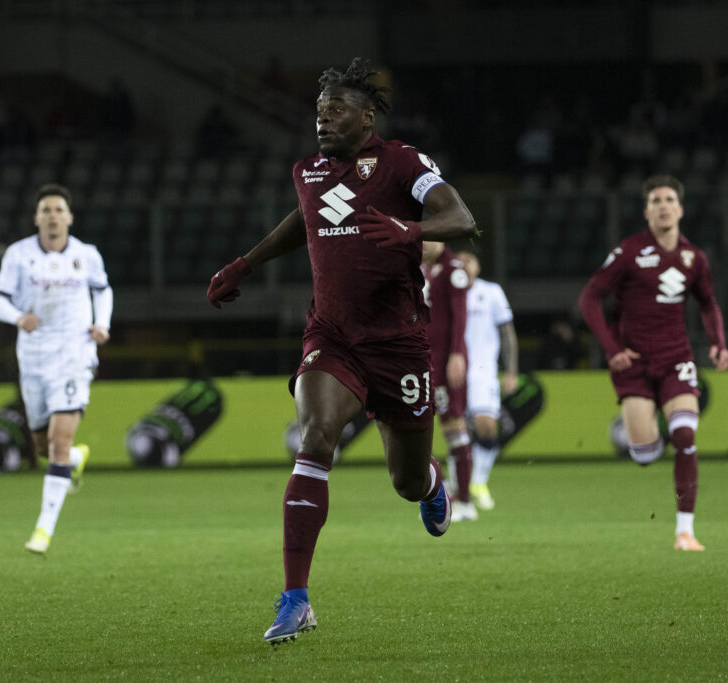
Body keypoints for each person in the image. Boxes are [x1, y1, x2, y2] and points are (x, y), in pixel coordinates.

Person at [206, 58, 477, 646]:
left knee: (405, 480)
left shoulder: (405, 163)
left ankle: (432, 485)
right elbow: (304, 221)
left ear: (366, 115)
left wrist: (412, 231)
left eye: (336, 110)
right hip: (331, 336)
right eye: (319, 111)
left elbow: (462, 219)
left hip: (400, 343)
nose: (323, 120)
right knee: (316, 437)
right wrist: (244, 264)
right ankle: (295, 597)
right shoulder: (309, 171)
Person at [578, 174, 728, 551]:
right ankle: (644, 433)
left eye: (669, 200)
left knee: (685, 435)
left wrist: (718, 343)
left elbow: (708, 303)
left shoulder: (694, 257)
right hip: (633, 365)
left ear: (680, 208)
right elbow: (589, 299)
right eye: (656, 201)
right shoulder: (629, 252)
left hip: (676, 358)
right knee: (645, 455)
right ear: (647, 210)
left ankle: (685, 531)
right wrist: (612, 349)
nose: (663, 206)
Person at [0, 183, 112, 554]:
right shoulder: (19, 255)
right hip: (34, 359)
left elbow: (102, 290)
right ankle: (75, 459)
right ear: (37, 218)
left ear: (69, 217)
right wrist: (18, 317)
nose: (53, 216)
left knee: (58, 443)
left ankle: (43, 530)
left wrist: (102, 324)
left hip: (74, 355)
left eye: (59, 209)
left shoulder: (87, 254)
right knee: (45, 445)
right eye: (46, 210)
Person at [456, 249, 518, 511]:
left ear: (478, 267)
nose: (464, 265)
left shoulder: (492, 292)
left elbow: (507, 333)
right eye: (459, 262)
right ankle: (461, 488)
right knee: (457, 430)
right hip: (454, 372)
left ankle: (478, 481)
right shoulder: (447, 293)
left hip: (484, 372)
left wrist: (511, 370)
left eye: (469, 261)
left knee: (487, 426)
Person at [420, 241, 476, 521]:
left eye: (425, 239)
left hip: (445, 362)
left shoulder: (454, 269)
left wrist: (456, 354)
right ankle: (444, 495)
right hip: (424, 362)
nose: (419, 244)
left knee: (453, 424)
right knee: (424, 427)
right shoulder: (424, 268)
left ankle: (465, 501)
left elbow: (460, 315)